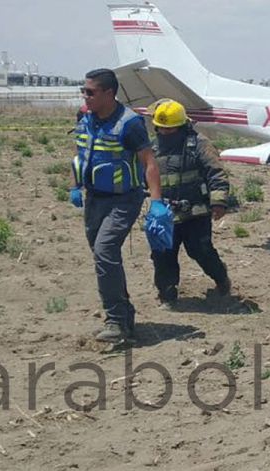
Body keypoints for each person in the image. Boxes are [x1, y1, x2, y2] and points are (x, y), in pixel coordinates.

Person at [70, 68, 163, 344]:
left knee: (105, 250)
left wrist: (156, 203)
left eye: (90, 92)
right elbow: (82, 153)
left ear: (109, 93)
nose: (85, 96)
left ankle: (115, 320)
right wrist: (75, 185)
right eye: (83, 91)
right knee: (103, 258)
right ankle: (124, 317)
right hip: (94, 198)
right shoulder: (84, 116)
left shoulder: (130, 123)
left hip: (124, 199)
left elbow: (149, 162)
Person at [148, 99, 231, 304]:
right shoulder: (152, 148)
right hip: (164, 214)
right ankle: (167, 294)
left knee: (200, 250)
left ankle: (221, 278)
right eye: (162, 129)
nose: (166, 133)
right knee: (163, 255)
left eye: (171, 129)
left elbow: (216, 172)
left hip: (196, 212)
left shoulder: (199, 144)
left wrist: (218, 201)